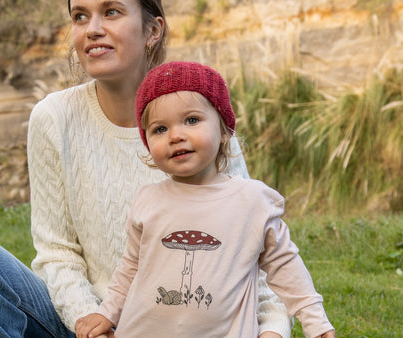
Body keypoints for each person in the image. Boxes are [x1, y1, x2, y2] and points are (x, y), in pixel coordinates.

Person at [0, 0, 293, 337]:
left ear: (152, 30)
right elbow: (58, 253)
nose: (93, 29)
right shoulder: (53, 117)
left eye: (111, 12)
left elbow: (257, 254)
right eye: (80, 16)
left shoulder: (199, 119)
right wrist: (91, 324)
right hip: (83, 324)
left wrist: (273, 330)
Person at [75, 61, 336, 338]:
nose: (176, 136)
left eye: (191, 120)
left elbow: (285, 266)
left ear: (224, 131)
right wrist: (107, 312)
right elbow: (130, 267)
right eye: (160, 129)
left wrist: (315, 321)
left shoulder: (252, 201)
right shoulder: (148, 200)